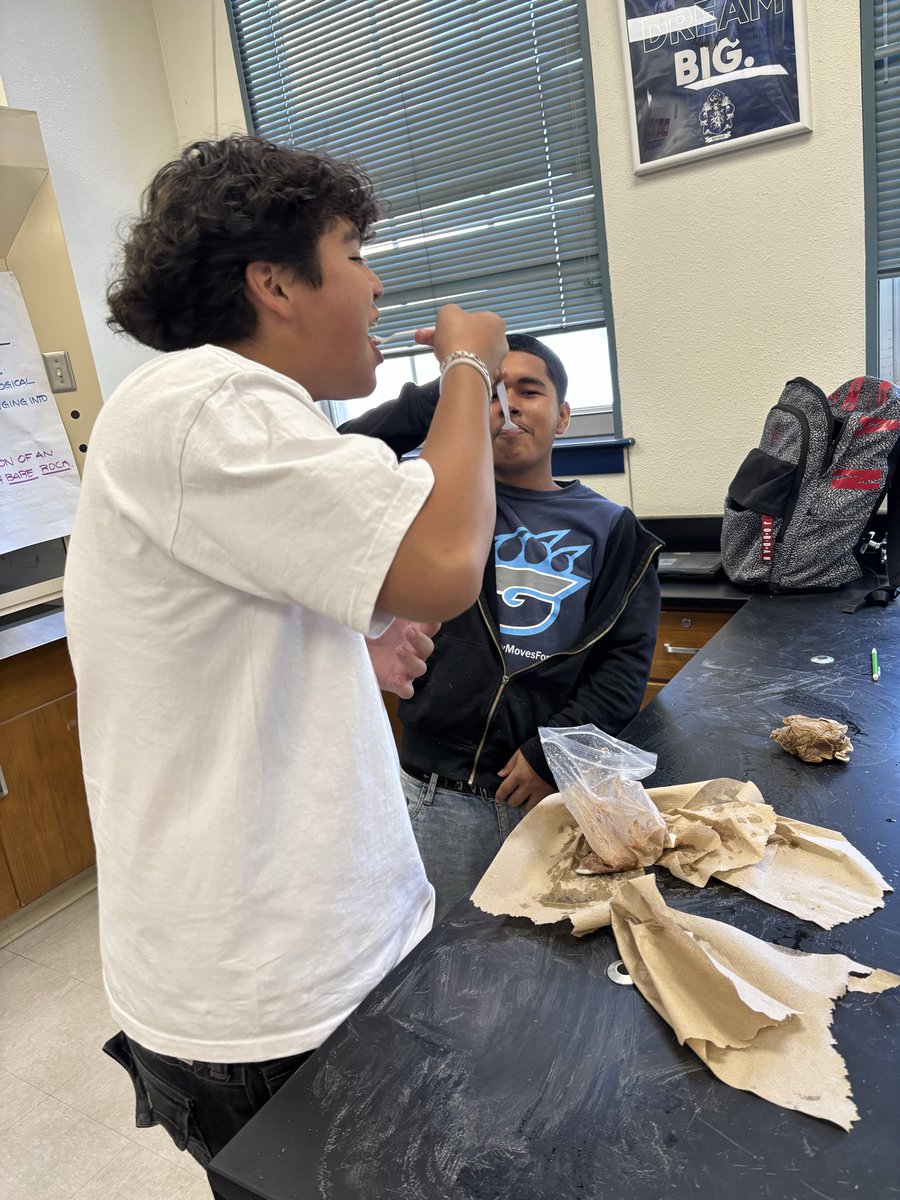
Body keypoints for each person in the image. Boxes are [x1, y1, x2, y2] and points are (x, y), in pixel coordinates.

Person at [62, 134, 506, 1172]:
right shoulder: (210, 405)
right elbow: (444, 561)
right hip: (269, 993)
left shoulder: (228, 417)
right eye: (353, 253)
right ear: (274, 283)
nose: (376, 281)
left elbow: (234, 628)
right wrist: (470, 368)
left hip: (302, 959)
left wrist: (350, 650)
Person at [343, 335, 662, 922]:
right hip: (431, 794)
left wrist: (549, 751)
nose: (508, 405)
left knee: (540, 960)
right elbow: (337, 454)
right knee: (433, 957)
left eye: (529, 391)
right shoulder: (430, 504)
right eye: (492, 393)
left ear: (563, 416)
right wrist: (452, 389)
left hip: (550, 798)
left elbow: (623, 668)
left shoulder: (614, 530)